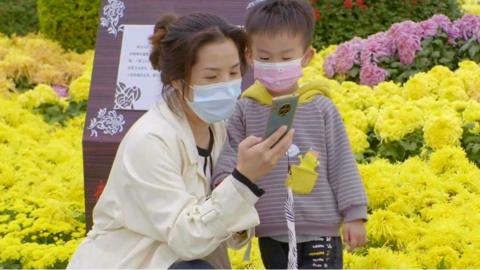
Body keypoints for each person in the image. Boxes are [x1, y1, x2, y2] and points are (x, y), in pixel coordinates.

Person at [67, 12, 294, 269]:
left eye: (234, 72)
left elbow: (225, 227)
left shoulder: (220, 127)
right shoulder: (151, 141)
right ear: (177, 80)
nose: (227, 85)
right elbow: (186, 239)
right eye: (211, 77)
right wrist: (243, 180)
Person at [213, 0, 368, 269]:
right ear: (249, 55)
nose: (275, 65)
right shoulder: (245, 108)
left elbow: (342, 162)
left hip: (322, 228)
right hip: (270, 229)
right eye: (264, 58)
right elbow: (231, 153)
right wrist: (223, 184)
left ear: (306, 57)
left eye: (285, 58)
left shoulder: (321, 107)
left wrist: (355, 214)